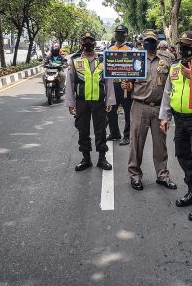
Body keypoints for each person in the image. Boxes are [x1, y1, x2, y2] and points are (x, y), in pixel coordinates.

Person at [160, 31, 192, 220]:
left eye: (188, 44)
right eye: (181, 44)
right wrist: (165, 117)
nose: (184, 48)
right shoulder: (174, 67)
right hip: (180, 120)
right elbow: (167, 93)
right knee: (182, 156)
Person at [125, 29, 176, 191]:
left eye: (152, 40)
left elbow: (172, 82)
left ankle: (162, 175)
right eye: (146, 40)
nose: (149, 43)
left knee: (160, 144)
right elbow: (131, 84)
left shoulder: (166, 59)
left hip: (160, 107)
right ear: (142, 42)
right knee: (137, 143)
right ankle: (135, 175)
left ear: (157, 41)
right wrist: (127, 85)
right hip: (140, 105)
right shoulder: (135, 59)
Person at [65, 32, 115, 171]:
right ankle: (86, 158)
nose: (88, 43)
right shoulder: (75, 61)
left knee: (101, 130)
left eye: (90, 41)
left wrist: (109, 100)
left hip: (99, 102)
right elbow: (70, 82)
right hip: (82, 102)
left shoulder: (102, 60)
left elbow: (108, 81)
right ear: (81, 44)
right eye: (85, 41)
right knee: (83, 130)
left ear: (94, 43)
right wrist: (70, 103)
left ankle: (101, 158)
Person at [106, 25, 133, 146]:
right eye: (118, 32)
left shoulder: (131, 50)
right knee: (111, 110)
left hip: (125, 86)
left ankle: (127, 135)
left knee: (128, 111)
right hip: (112, 84)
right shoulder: (109, 49)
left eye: (122, 33)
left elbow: (136, 68)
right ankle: (114, 132)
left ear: (126, 34)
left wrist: (129, 82)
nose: (119, 35)